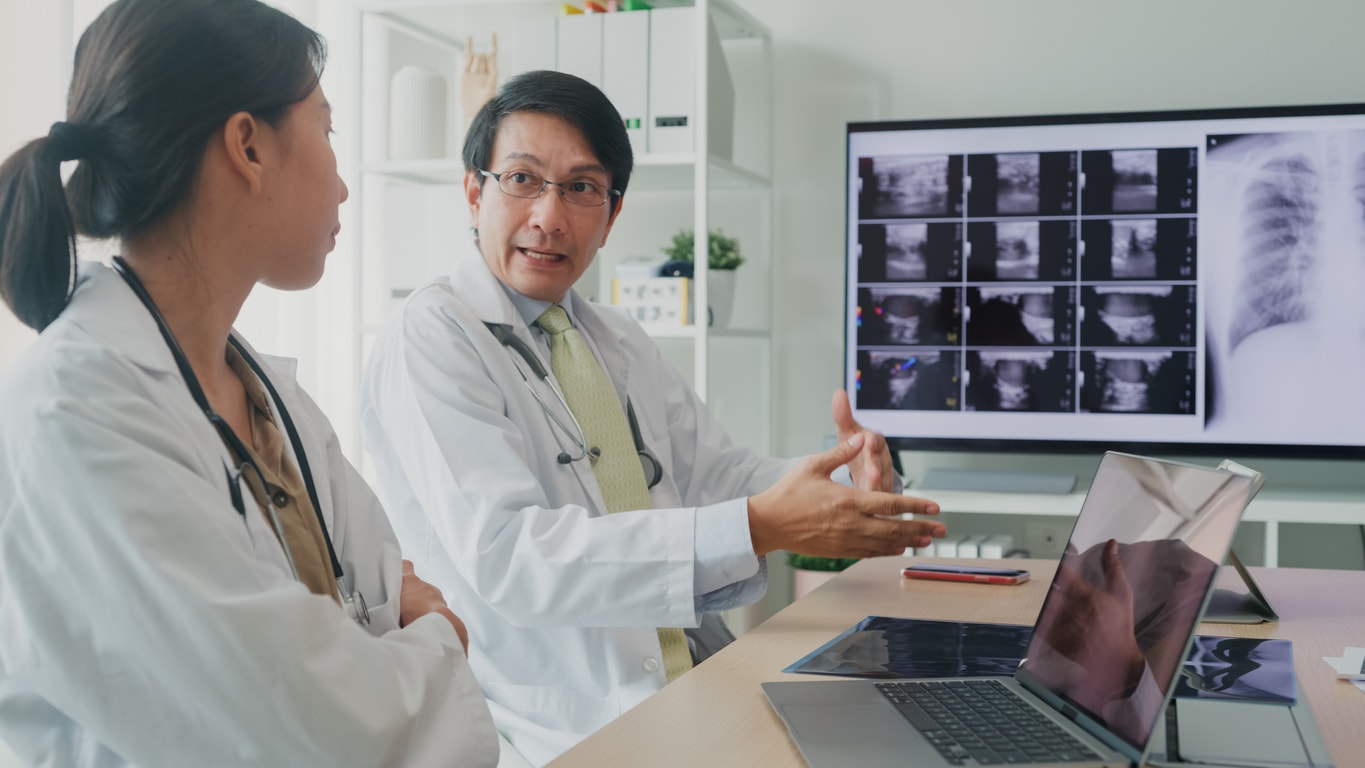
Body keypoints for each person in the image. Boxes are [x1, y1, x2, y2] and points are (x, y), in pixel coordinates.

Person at [361, 69, 946, 765]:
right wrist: (762, 524)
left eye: (581, 188)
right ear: (472, 190)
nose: (548, 217)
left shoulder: (612, 336)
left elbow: (715, 476)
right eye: (521, 179)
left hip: (697, 681)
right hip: (562, 726)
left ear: (610, 216)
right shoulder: (430, 335)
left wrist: (833, 484)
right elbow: (512, 559)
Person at [0, 1, 498, 765]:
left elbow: (367, 620)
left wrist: (400, 644)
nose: (341, 185)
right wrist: (436, 638)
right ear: (247, 147)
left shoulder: (264, 394)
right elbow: (309, 727)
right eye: (327, 130)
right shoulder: (74, 409)